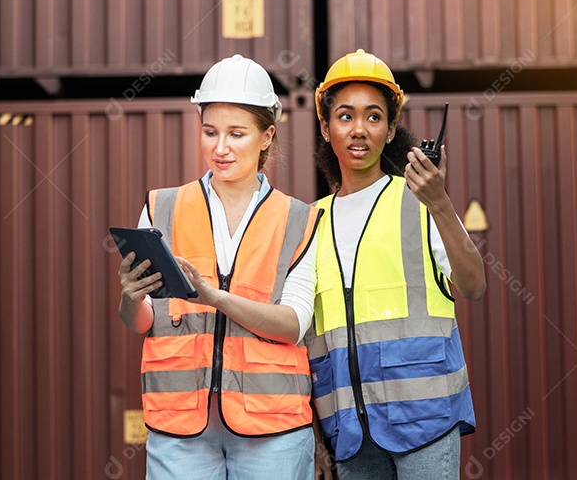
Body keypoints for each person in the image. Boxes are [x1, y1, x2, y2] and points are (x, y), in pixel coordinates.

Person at [117, 54, 321, 479]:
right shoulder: (162, 208)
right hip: (181, 427)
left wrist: (215, 298)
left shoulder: (298, 218)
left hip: (272, 427)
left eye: (236, 134)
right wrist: (129, 298)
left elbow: (292, 324)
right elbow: (142, 322)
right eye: (210, 132)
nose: (220, 147)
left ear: (267, 136)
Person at [306, 49, 486, 479]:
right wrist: (314, 438)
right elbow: (302, 338)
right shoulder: (309, 222)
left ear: (390, 132)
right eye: (345, 116)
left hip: (425, 423)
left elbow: (474, 284)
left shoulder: (419, 201)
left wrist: (441, 202)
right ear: (326, 128)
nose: (359, 130)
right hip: (348, 434)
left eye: (374, 117)